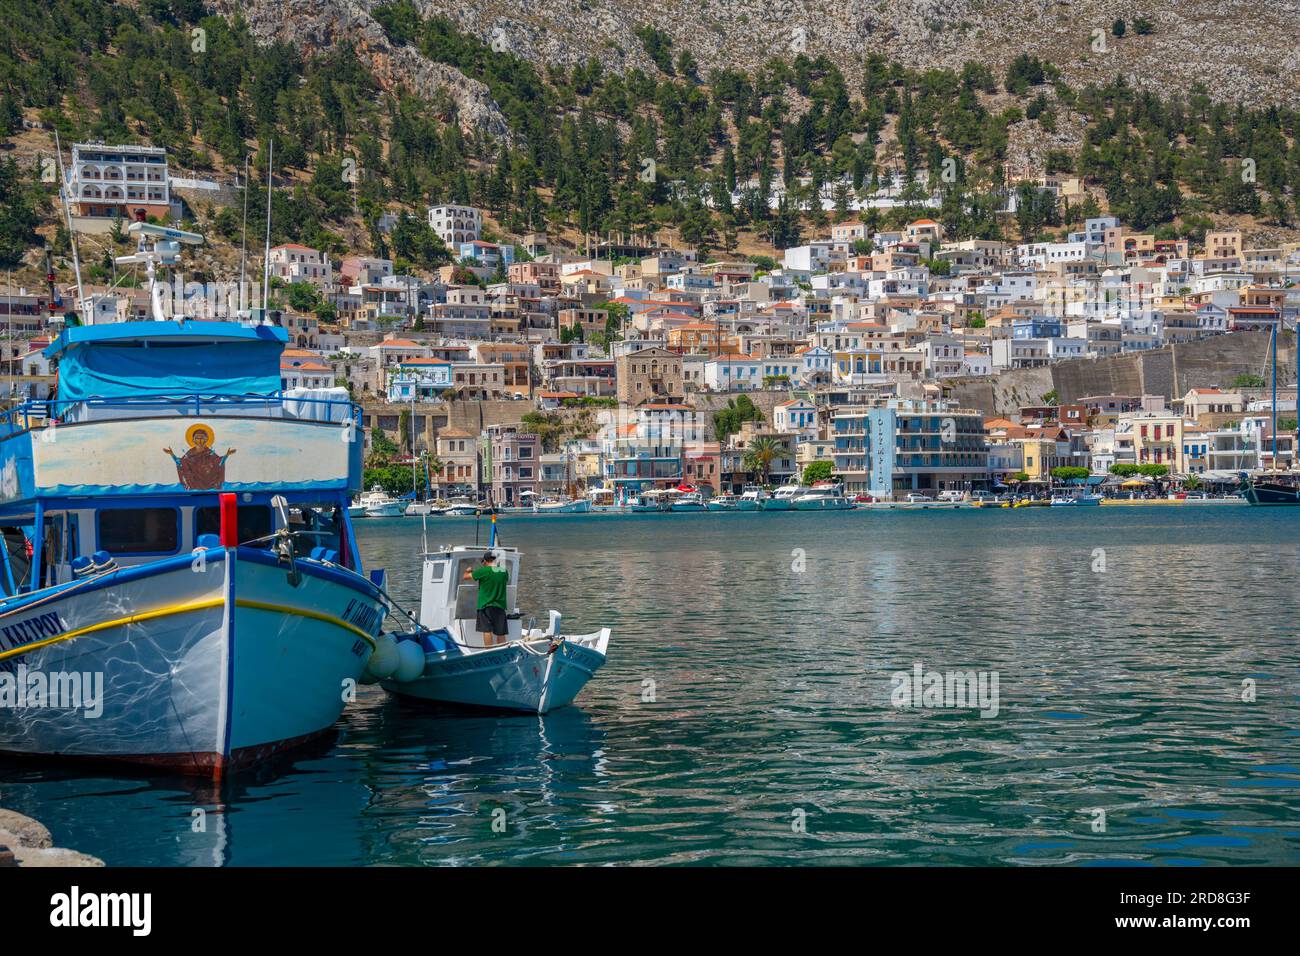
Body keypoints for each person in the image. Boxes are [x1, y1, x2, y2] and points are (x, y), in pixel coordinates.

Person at [464, 550, 509, 647]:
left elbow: (466, 577)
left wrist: (468, 570)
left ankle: (489, 650)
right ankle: (502, 651)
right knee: (501, 632)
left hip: (485, 605)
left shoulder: (483, 571)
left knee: (487, 631)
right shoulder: (503, 571)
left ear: (485, 561)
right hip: (500, 606)